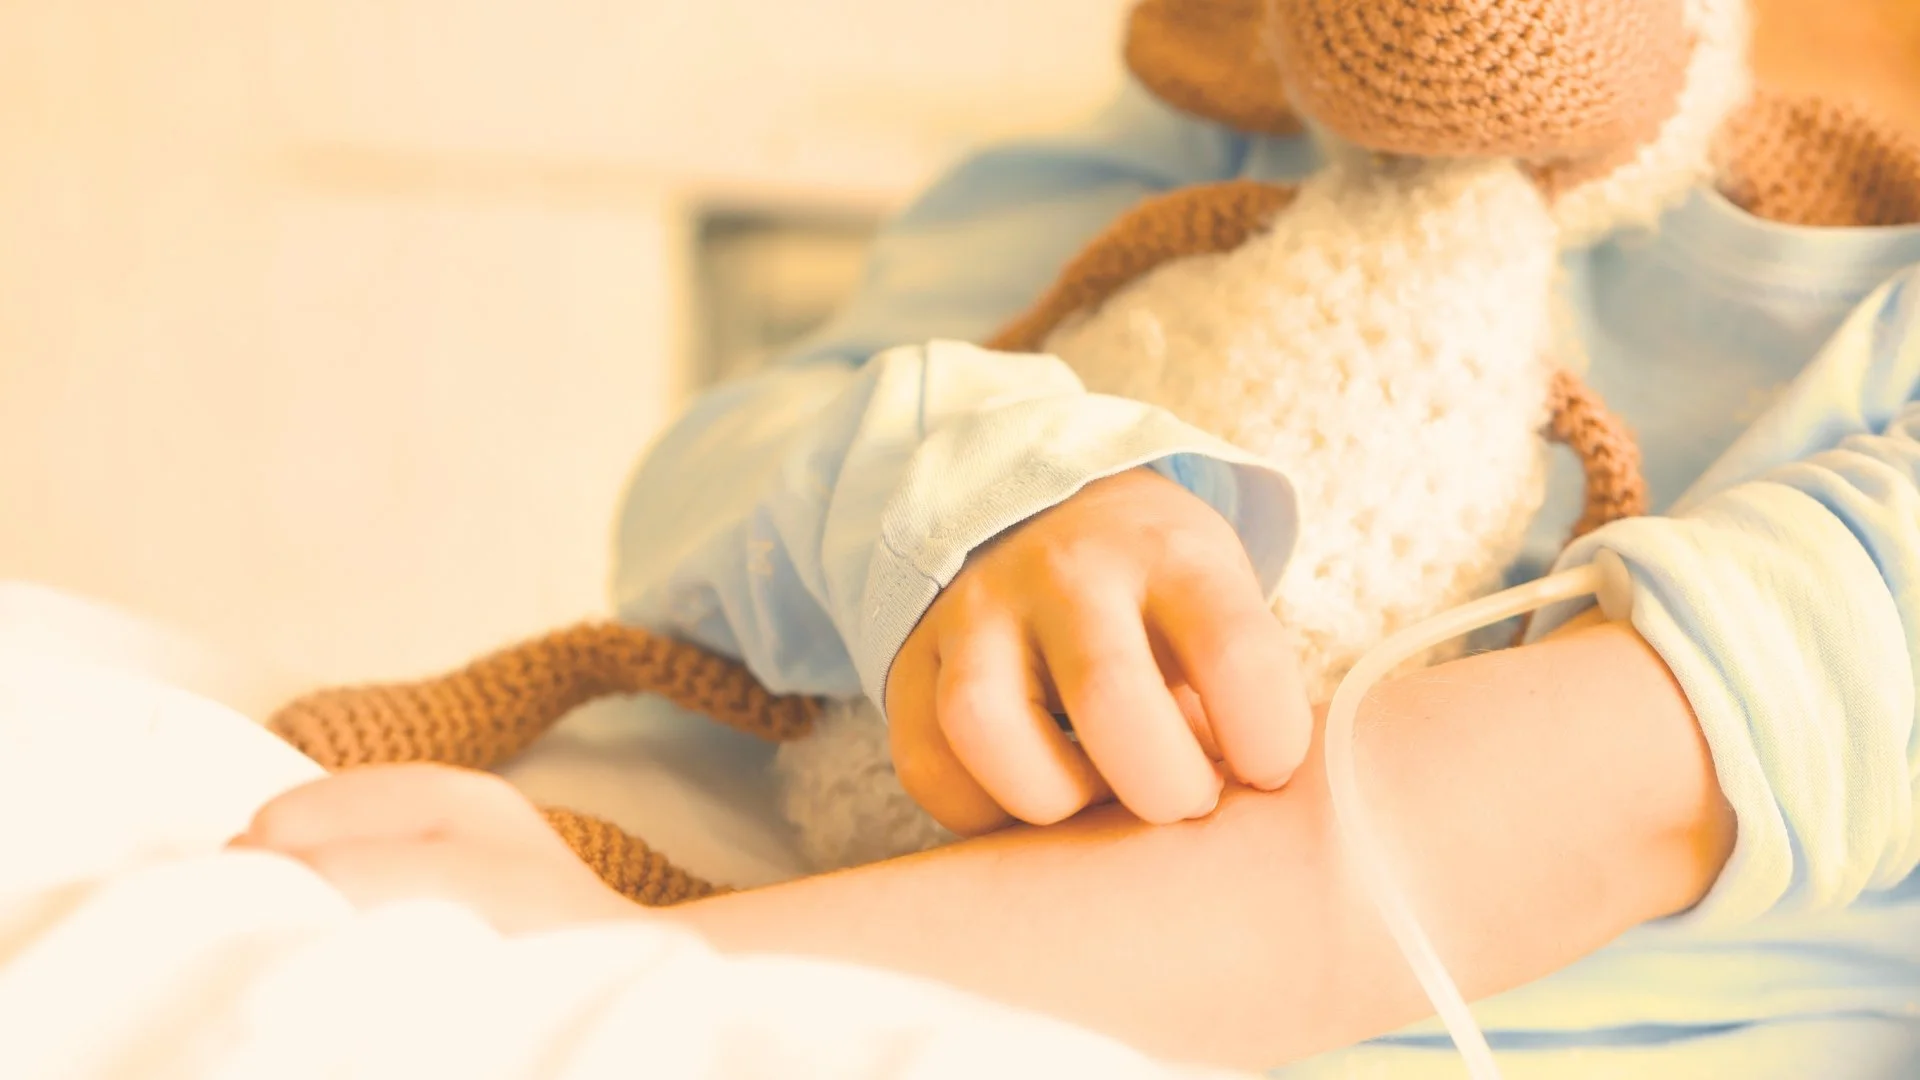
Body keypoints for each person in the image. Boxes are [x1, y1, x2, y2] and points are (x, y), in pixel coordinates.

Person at [234, 20, 1920, 1080]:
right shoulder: (1284, 70)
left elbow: (1530, 823)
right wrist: (979, 496)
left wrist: (602, 969)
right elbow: (717, 470)